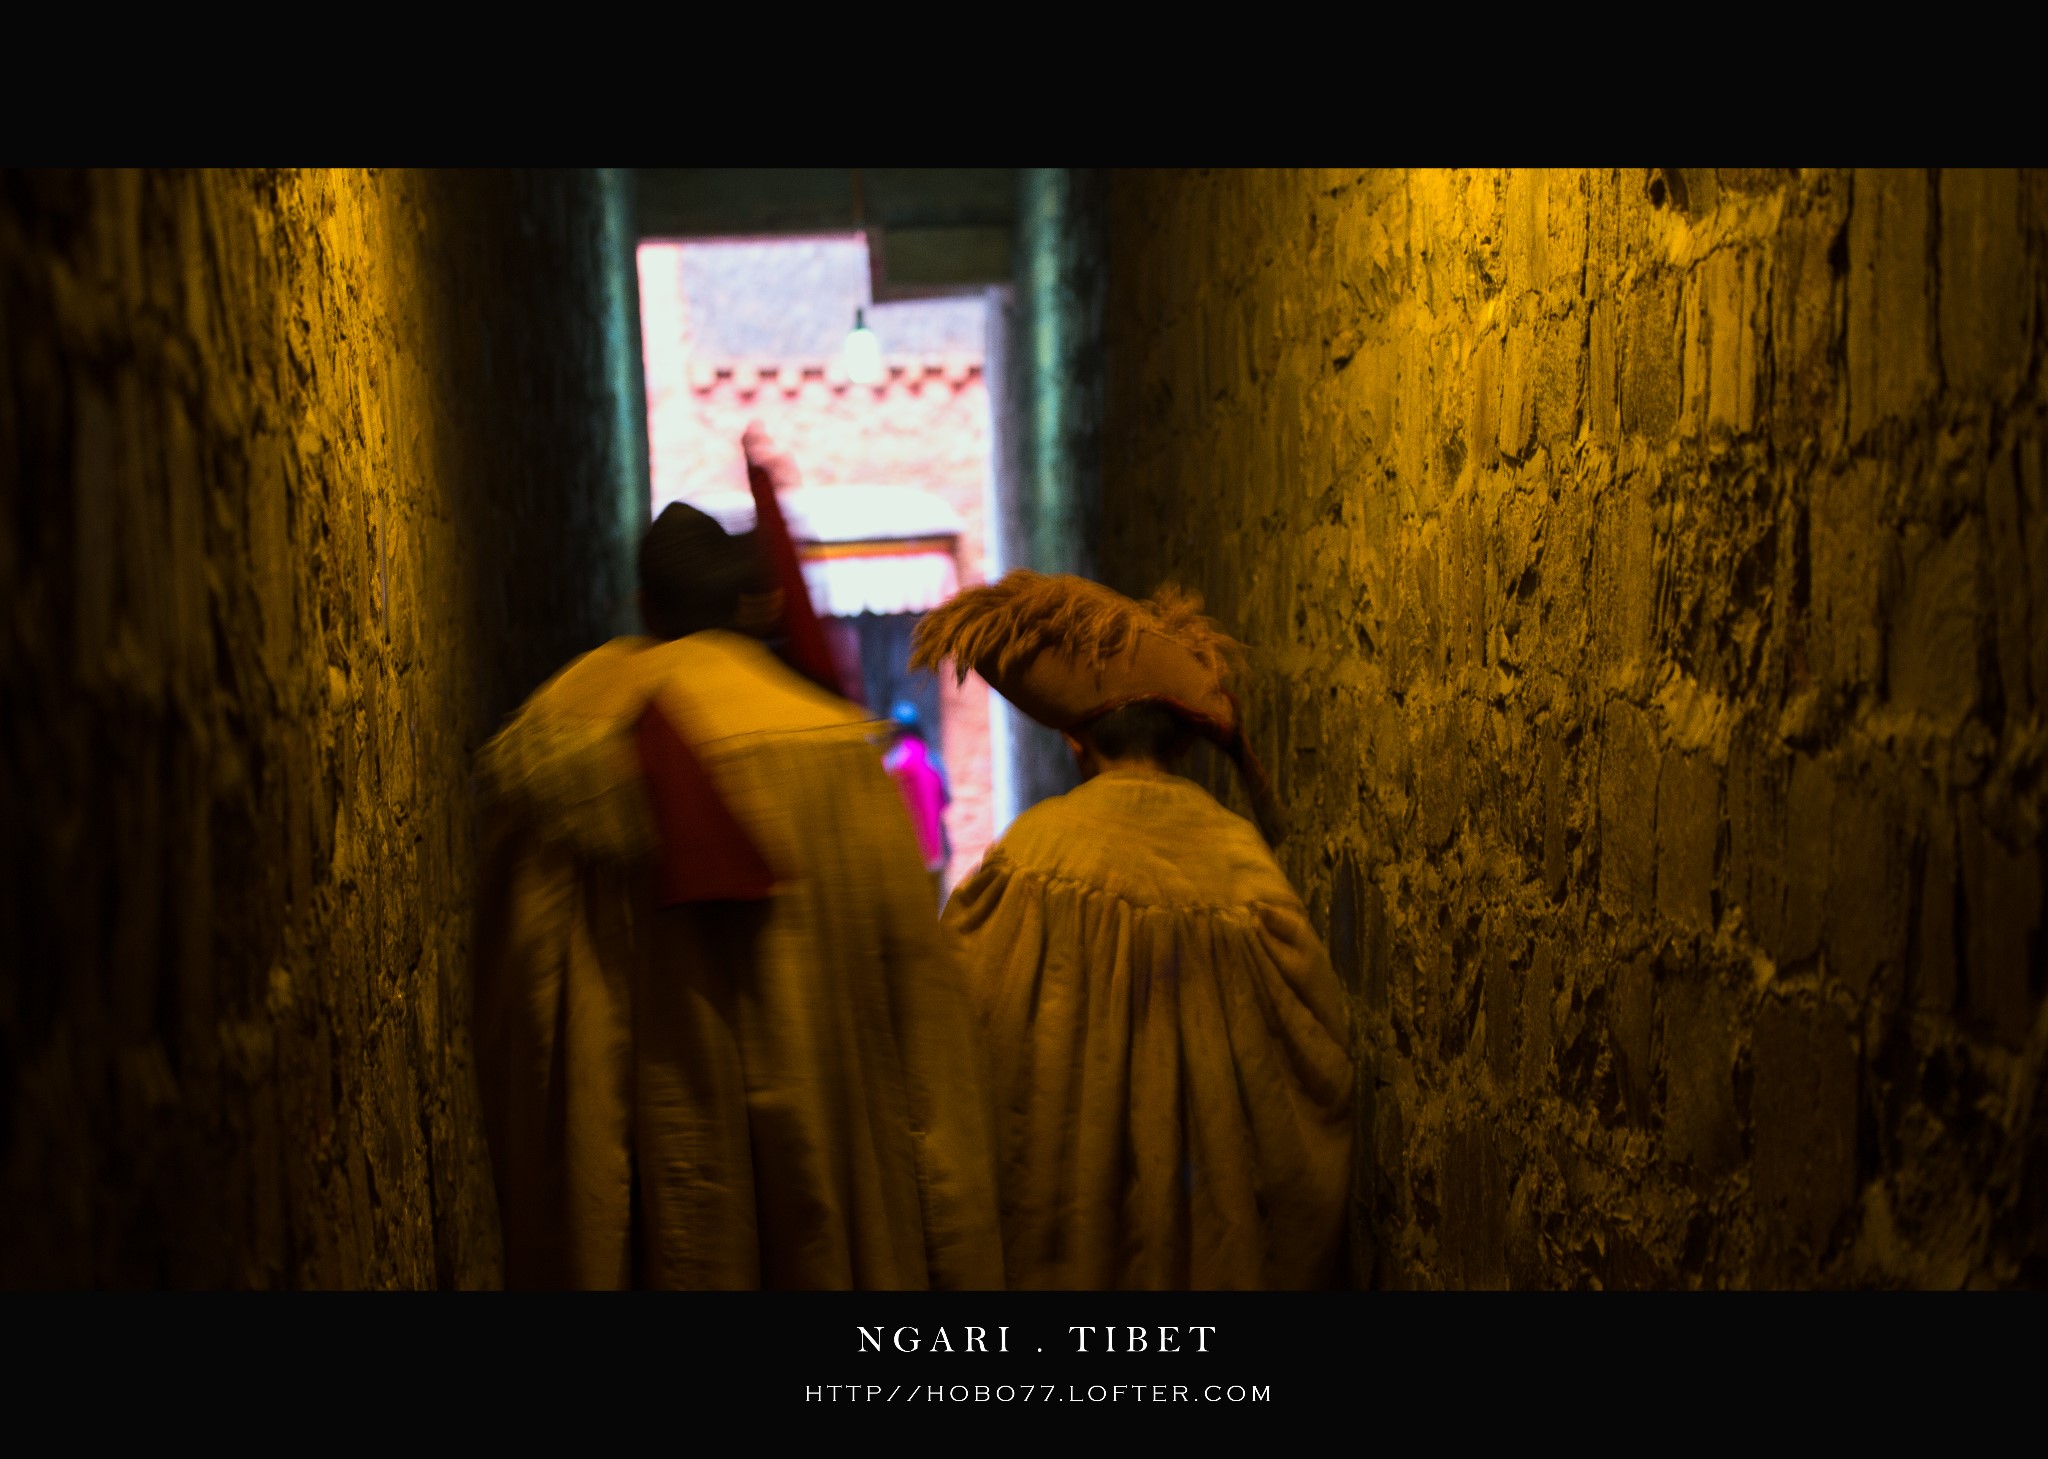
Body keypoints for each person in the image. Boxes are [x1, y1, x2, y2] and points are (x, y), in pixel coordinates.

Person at [470, 485, 1004, 1290]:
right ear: (751, 609)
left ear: (646, 605)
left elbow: (530, 1027)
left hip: (663, 1190)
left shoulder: (562, 752)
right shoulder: (841, 755)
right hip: (831, 1187)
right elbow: (920, 1023)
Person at [910, 569, 1354, 1289]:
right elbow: (1312, 1057)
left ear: (1076, 742)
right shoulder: (1242, 864)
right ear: (1182, 746)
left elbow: (956, 1028)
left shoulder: (1028, 858)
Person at [883, 699, 952, 902]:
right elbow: (946, 801)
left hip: (904, 856)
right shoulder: (933, 759)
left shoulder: (890, 763)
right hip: (934, 852)